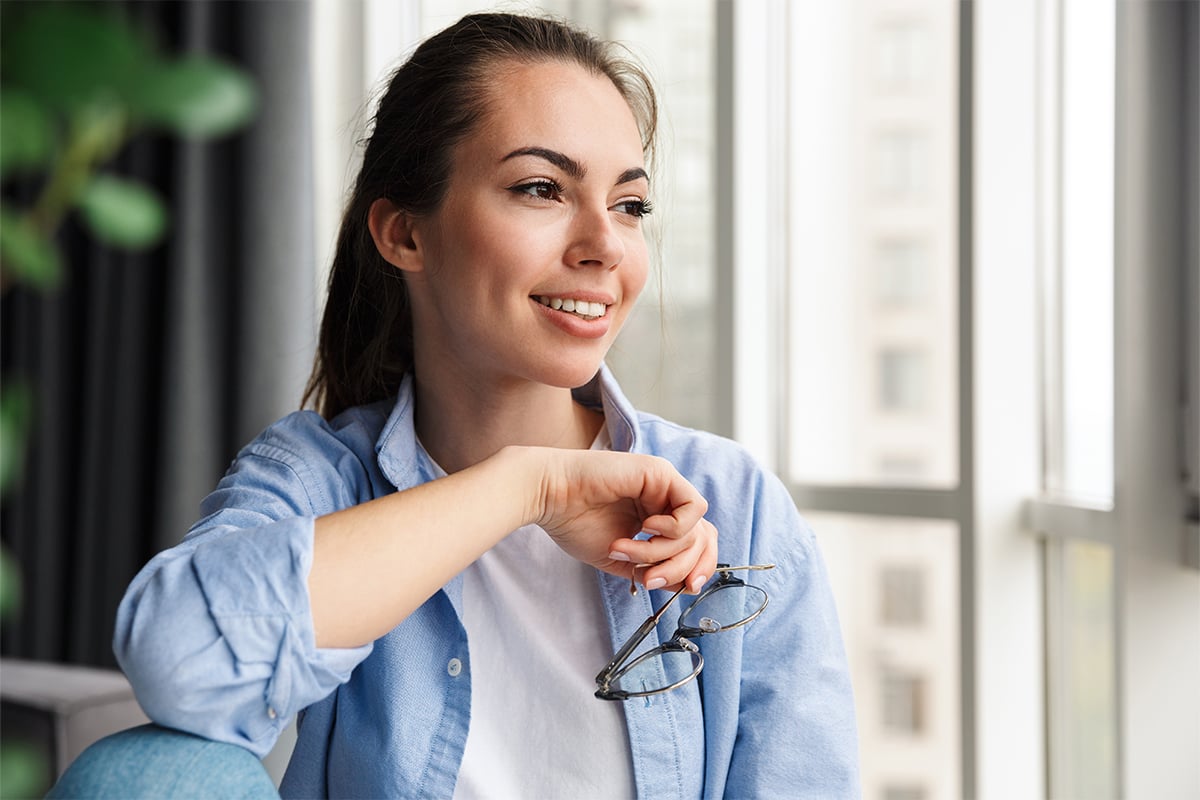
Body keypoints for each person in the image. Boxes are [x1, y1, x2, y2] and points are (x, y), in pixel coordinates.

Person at [52, 11, 859, 799]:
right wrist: (525, 489)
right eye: (542, 188)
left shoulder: (737, 507)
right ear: (404, 234)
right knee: (147, 778)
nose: (605, 245)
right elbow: (179, 667)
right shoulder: (322, 476)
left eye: (629, 205)